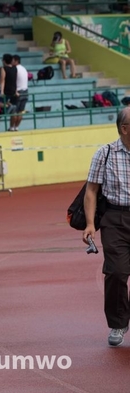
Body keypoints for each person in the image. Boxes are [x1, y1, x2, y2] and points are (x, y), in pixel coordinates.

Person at [83, 107, 130, 347]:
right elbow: (91, 190)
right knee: (117, 272)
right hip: (115, 218)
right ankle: (118, 323)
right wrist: (90, 223)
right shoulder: (105, 153)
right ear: (124, 129)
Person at [0, 53, 18, 130]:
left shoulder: (3, 69)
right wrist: (16, 90)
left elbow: (2, 80)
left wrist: (1, 91)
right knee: (14, 111)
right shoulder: (15, 68)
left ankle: (7, 106)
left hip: (7, 90)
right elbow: (15, 80)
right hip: (13, 90)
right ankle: (12, 127)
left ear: (4, 61)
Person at [10, 54, 29, 132]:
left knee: (14, 111)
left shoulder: (15, 69)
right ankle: (17, 127)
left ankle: (11, 127)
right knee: (20, 111)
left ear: (16, 61)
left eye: (12, 60)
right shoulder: (24, 68)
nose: (11, 62)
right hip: (25, 91)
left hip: (18, 91)